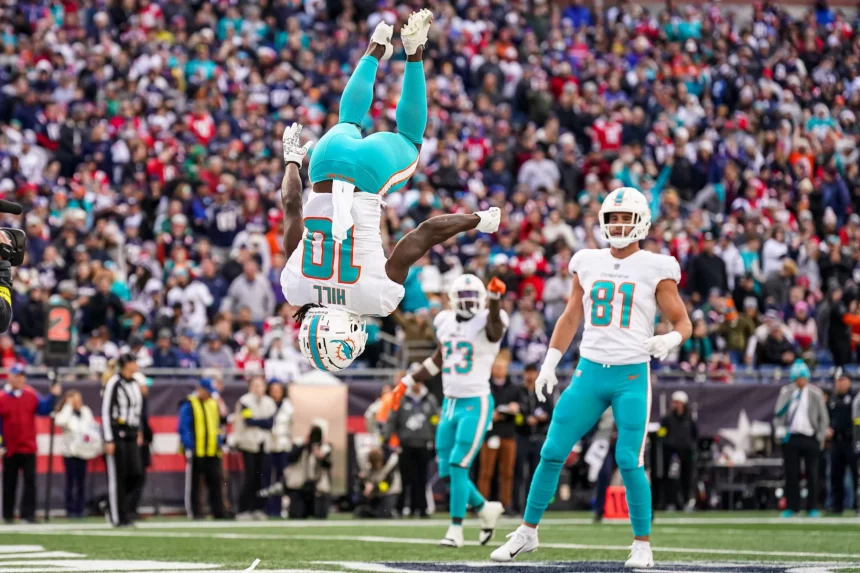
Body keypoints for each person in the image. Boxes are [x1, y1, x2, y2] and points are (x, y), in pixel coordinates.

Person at [278, 14, 503, 372]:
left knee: (411, 141)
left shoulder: (377, 300)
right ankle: (375, 50)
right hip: (322, 162)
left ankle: (414, 53)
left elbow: (423, 234)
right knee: (348, 121)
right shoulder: (294, 288)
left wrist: (477, 220)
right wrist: (292, 159)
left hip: (370, 172)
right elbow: (291, 204)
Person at [491, 187, 692, 569]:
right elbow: (571, 316)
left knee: (628, 459)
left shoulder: (656, 266)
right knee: (552, 450)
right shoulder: (586, 260)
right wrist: (550, 361)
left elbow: (684, 322)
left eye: (625, 218)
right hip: (588, 372)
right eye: (612, 218)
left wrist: (671, 337)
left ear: (641, 223)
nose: (618, 225)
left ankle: (641, 543)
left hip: (631, 373)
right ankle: (528, 532)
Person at [393, 273, 507, 548]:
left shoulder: (491, 317)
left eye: (473, 298)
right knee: (446, 470)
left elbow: (494, 331)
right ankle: (484, 508)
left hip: (475, 403)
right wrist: (407, 381)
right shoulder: (443, 321)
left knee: (458, 464)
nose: (468, 302)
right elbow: (438, 360)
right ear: (454, 299)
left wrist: (493, 300)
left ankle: (456, 528)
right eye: (464, 297)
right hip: (450, 403)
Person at [0, 364, 61, 523]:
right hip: (9, 448)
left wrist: (52, 395)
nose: (20, 378)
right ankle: (8, 514)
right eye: (17, 375)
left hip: (28, 446)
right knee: (9, 482)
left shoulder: (30, 394)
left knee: (30, 482)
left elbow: (44, 409)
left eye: (22, 376)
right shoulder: (2, 397)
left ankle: (29, 514)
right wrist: (1, 444)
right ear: (10, 377)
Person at [774, 360, 829, 518]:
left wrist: (820, 435)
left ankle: (812, 507)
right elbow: (778, 413)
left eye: (803, 378)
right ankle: (792, 507)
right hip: (791, 437)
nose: (801, 381)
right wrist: (780, 431)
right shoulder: (786, 392)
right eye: (798, 378)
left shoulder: (815, 393)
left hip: (810, 436)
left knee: (812, 473)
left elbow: (823, 417)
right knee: (791, 474)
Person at [385, 378, 438, 518]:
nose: (417, 384)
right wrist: (387, 437)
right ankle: (400, 508)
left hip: (423, 444)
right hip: (406, 444)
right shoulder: (401, 398)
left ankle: (420, 508)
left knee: (421, 479)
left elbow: (435, 420)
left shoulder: (429, 399)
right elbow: (393, 419)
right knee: (404, 478)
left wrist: (435, 440)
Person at [102, 353, 144, 527]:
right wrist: (108, 438)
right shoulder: (114, 383)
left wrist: (139, 429)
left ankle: (119, 507)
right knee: (119, 475)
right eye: (134, 362)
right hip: (117, 433)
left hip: (132, 433)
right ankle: (118, 516)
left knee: (136, 473)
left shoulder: (134, 383)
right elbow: (106, 412)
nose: (137, 365)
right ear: (127, 364)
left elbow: (137, 410)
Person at [178, 378, 227, 520]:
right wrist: (189, 445)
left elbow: (215, 426)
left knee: (215, 482)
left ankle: (218, 511)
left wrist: (218, 443)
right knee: (194, 483)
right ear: (201, 390)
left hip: (212, 449)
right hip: (196, 450)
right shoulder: (189, 404)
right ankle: (195, 511)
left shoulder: (212, 403)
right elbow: (184, 427)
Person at [230, 376, 277, 521]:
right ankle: (243, 509)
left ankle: (258, 508)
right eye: (255, 385)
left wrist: (259, 421)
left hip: (264, 443)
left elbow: (270, 423)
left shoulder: (269, 402)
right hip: (248, 443)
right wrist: (260, 421)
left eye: (261, 385)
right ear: (251, 387)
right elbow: (248, 420)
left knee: (261, 478)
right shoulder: (245, 401)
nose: (258, 388)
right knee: (249, 477)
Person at [477, 357, 520, 514]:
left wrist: (513, 409)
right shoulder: (485, 386)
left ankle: (506, 505)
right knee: (486, 472)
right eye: (497, 367)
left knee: (507, 472)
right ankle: (480, 504)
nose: (499, 370)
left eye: (502, 367)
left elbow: (518, 407)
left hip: (508, 434)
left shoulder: (514, 388)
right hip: (490, 434)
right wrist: (491, 414)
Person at [54, 390, 101, 518]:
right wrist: (68, 406)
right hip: (70, 452)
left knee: (81, 482)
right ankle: (70, 509)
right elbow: (60, 422)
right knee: (71, 481)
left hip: (83, 451)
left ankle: (80, 508)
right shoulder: (65, 412)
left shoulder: (85, 411)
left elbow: (91, 427)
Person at [513, 364, 552, 515]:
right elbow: (514, 414)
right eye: (528, 373)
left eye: (533, 373)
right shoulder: (518, 392)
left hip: (538, 436)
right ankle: (517, 505)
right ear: (524, 374)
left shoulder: (542, 393)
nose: (530, 376)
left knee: (536, 473)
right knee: (518, 472)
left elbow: (551, 413)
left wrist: (542, 419)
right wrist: (523, 420)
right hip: (521, 436)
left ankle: (533, 506)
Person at [284, 420, 333, 519]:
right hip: (300, 487)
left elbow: (328, 466)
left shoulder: (326, 447)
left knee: (321, 515)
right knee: (296, 515)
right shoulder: (299, 442)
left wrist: (321, 456)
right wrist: (304, 445)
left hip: (318, 488)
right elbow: (290, 458)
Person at [658, 391, 698, 511]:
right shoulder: (667, 419)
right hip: (671, 453)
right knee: (671, 479)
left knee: (686, 477)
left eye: (677, 403)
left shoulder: (689, 419)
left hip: (686, 452)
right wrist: (666, 441)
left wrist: (690, 443)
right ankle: (670, 502)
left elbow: (695, 433)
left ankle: (686, 502)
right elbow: (661, 433)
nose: (674, 405)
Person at [827, 372, 857, 514]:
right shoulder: (832, 399)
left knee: (856, 473)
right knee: (835, 475)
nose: (839, 383)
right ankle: (836, 505)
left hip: (852, 441)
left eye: (842, 380)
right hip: (836, 441)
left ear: (849, 381)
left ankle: (857, 504)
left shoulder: (855, 398)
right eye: (837, 380)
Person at [266, 381, 293, 517]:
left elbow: (291, 426)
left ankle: (281, 508)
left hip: (283, 445)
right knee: (268, 477)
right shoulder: (265, 404)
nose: (276, 392)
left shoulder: (288, 406)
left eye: (278, 389)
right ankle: (268, 508)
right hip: (269, 445)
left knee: (282, 478)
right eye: (273, 389)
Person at [354, 447, 402, 518]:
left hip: (389, 490)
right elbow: (357, 474)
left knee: (384, 513)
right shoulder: (362, 457)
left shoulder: (391, 461)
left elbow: (387, 484)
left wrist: (374, 489)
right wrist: (364, 483)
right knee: (362, 511)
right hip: (372, 489)